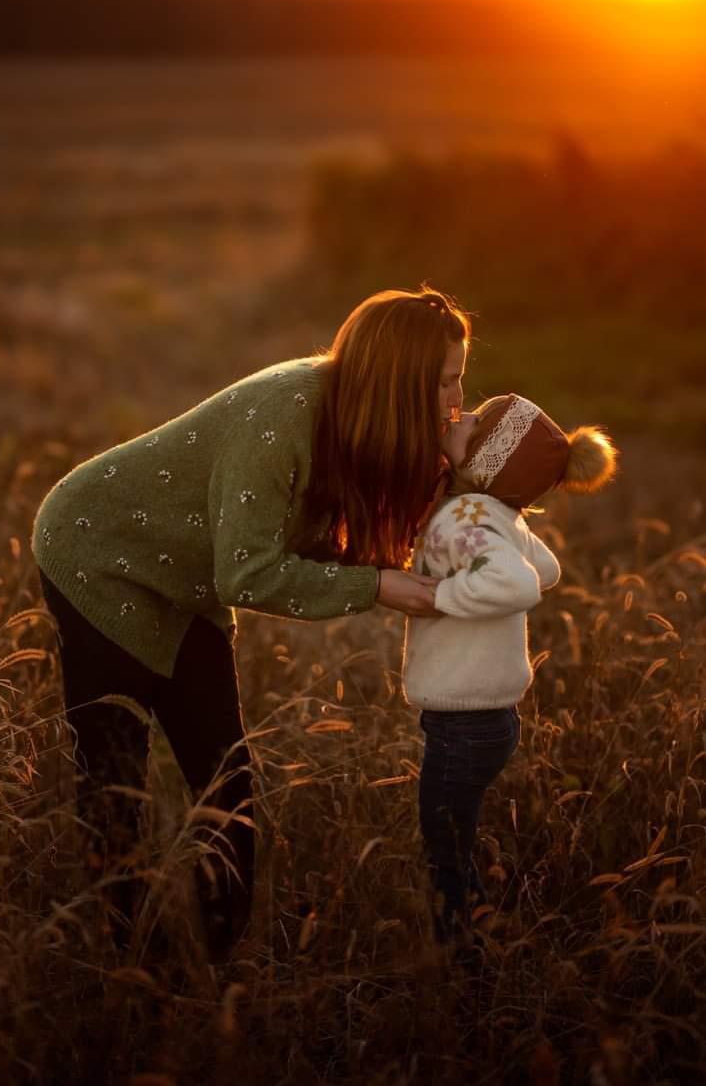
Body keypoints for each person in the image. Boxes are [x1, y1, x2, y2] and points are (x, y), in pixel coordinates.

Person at [31, 285, 470, 962]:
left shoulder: (357, 417)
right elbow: (247, 572)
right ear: (398, 383)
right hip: (95, 556)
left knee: (226, 780)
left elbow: (305, 538)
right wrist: (376, 586)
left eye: (459, 381)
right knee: (116, 782)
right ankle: (132, 977)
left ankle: (217, 970)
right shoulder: (287, 415)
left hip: (184, 580)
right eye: (446, 382)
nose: (456, 400)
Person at [402, 393, 618, 952]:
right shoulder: (494, 513)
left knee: (444, 852)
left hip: (461, 723)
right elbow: (544, 568)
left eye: (476, 419)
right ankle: (483, 928)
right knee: (458, 838)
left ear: (485, 462)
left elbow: (520, 584)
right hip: (493, 719)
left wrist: (441, 594)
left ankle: (463, 957)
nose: (462, 415)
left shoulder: (462, 516)